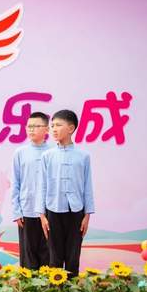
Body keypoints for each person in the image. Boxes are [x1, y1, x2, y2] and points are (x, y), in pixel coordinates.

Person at [38, 109, 94, 278]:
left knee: (73, 256)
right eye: (52, 126)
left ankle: (72, 290)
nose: (54, 129)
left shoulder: (83, 156)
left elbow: (87, 186)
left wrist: (87, 215)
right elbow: (42, 186)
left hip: (76, 211)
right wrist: (41, 215)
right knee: (54, 257)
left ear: (71, 128)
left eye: (58, 125)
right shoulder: (47, 156)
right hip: (53, 210)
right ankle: (55, 291)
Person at [11, 111, 51, 270]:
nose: (31, 129)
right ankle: (28, 285)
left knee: (48, 254)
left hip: (49, 212)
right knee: (28, 257)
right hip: (27, 211)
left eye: (36, 126)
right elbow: (16, 182)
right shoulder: (20, 153)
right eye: (29, 126)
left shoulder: (53, 151)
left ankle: (48, 284)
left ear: (47, 129)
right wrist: (16, 211)